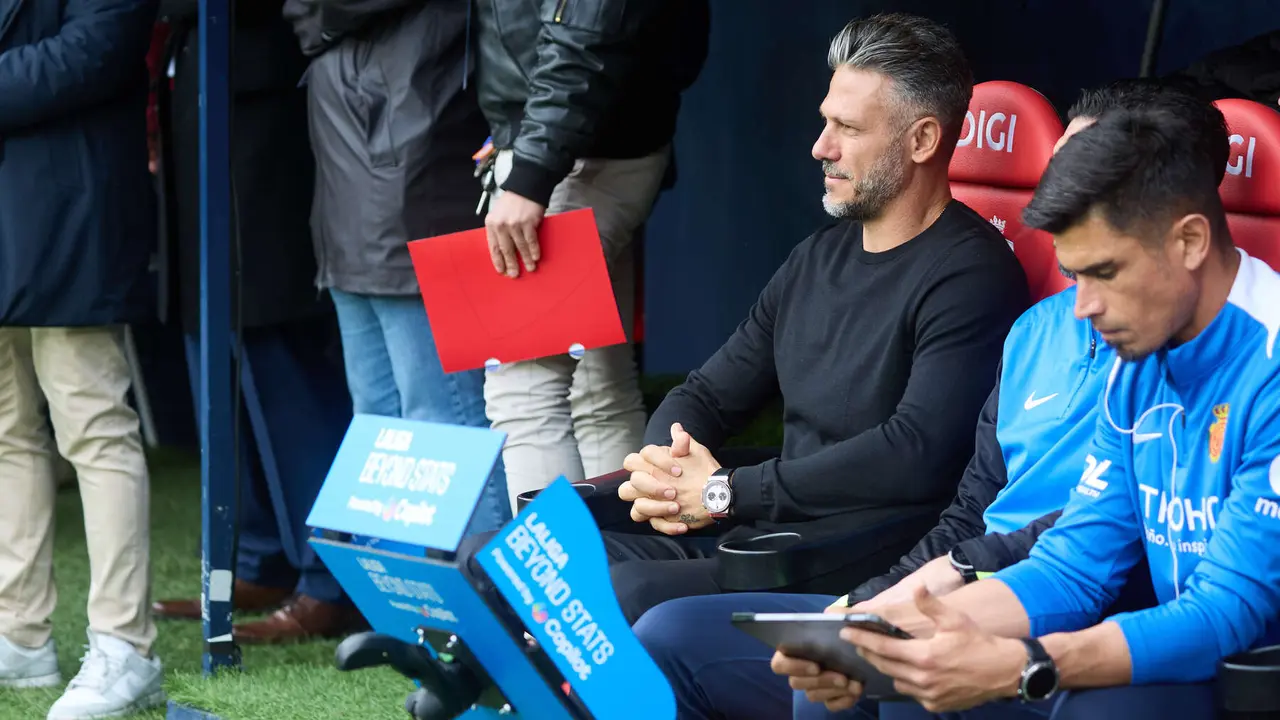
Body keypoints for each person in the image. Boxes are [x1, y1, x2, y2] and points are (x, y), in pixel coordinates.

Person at [629, 78, 1231, 720]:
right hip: (995, 584)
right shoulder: (1037, 329)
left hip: (1085, 617)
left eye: (1090, 180)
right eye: (1057, 173)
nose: (1054, 202)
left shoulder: (1205, 353)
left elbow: (1142, 572)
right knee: (672, 630)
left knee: (887, 680)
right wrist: (886, 599)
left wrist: (979, 625)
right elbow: (991, 517)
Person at [781, 96, 1280, 720]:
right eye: (1075, 275)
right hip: (1193, 656)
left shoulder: (1268, 360)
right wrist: (887, 630)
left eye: (1104, 273)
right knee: (890, 675)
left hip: (1247, 665)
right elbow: (1073, 566)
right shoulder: (1141, 357)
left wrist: (1024, 663)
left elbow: (1227, 612)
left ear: (1190, 240)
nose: (1083, 308)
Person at [600, 12, 1029, 624]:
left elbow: (914, 452)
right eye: (826, 122)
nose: (820, 147)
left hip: (854, 558)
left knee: (623, 593)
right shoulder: (816, 256)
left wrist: (726, 493)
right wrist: (667, 475)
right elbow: (708, 395)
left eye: (847, 128)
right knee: (522, 554)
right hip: (758, 532)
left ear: (923, 141)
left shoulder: (972, 274)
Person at [147, 0, 364, 645]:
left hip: (262, 102)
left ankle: (332, 578)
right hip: (204, 86)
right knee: (220, 352)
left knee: (277, 352)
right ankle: (262, 558)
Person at [281, 0, 512, 536]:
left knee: (438, 424)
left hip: (408, 187)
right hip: (363, 191)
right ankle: (410, 587)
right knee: (390, 431)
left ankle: (483, 582)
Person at [473, 0, 712, 511]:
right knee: (598, 384)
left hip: (567, 160)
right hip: (589, 146)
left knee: (526, 388)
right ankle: (624, 557)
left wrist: (530, 175)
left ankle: (556, 566)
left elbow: (581, 37)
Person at [0, 0, 167, 718]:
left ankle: (125, 647)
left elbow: (95, 51)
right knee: (6, 431)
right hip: (16, 207)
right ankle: (19, 634)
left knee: (94, 428)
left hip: (72, 204)